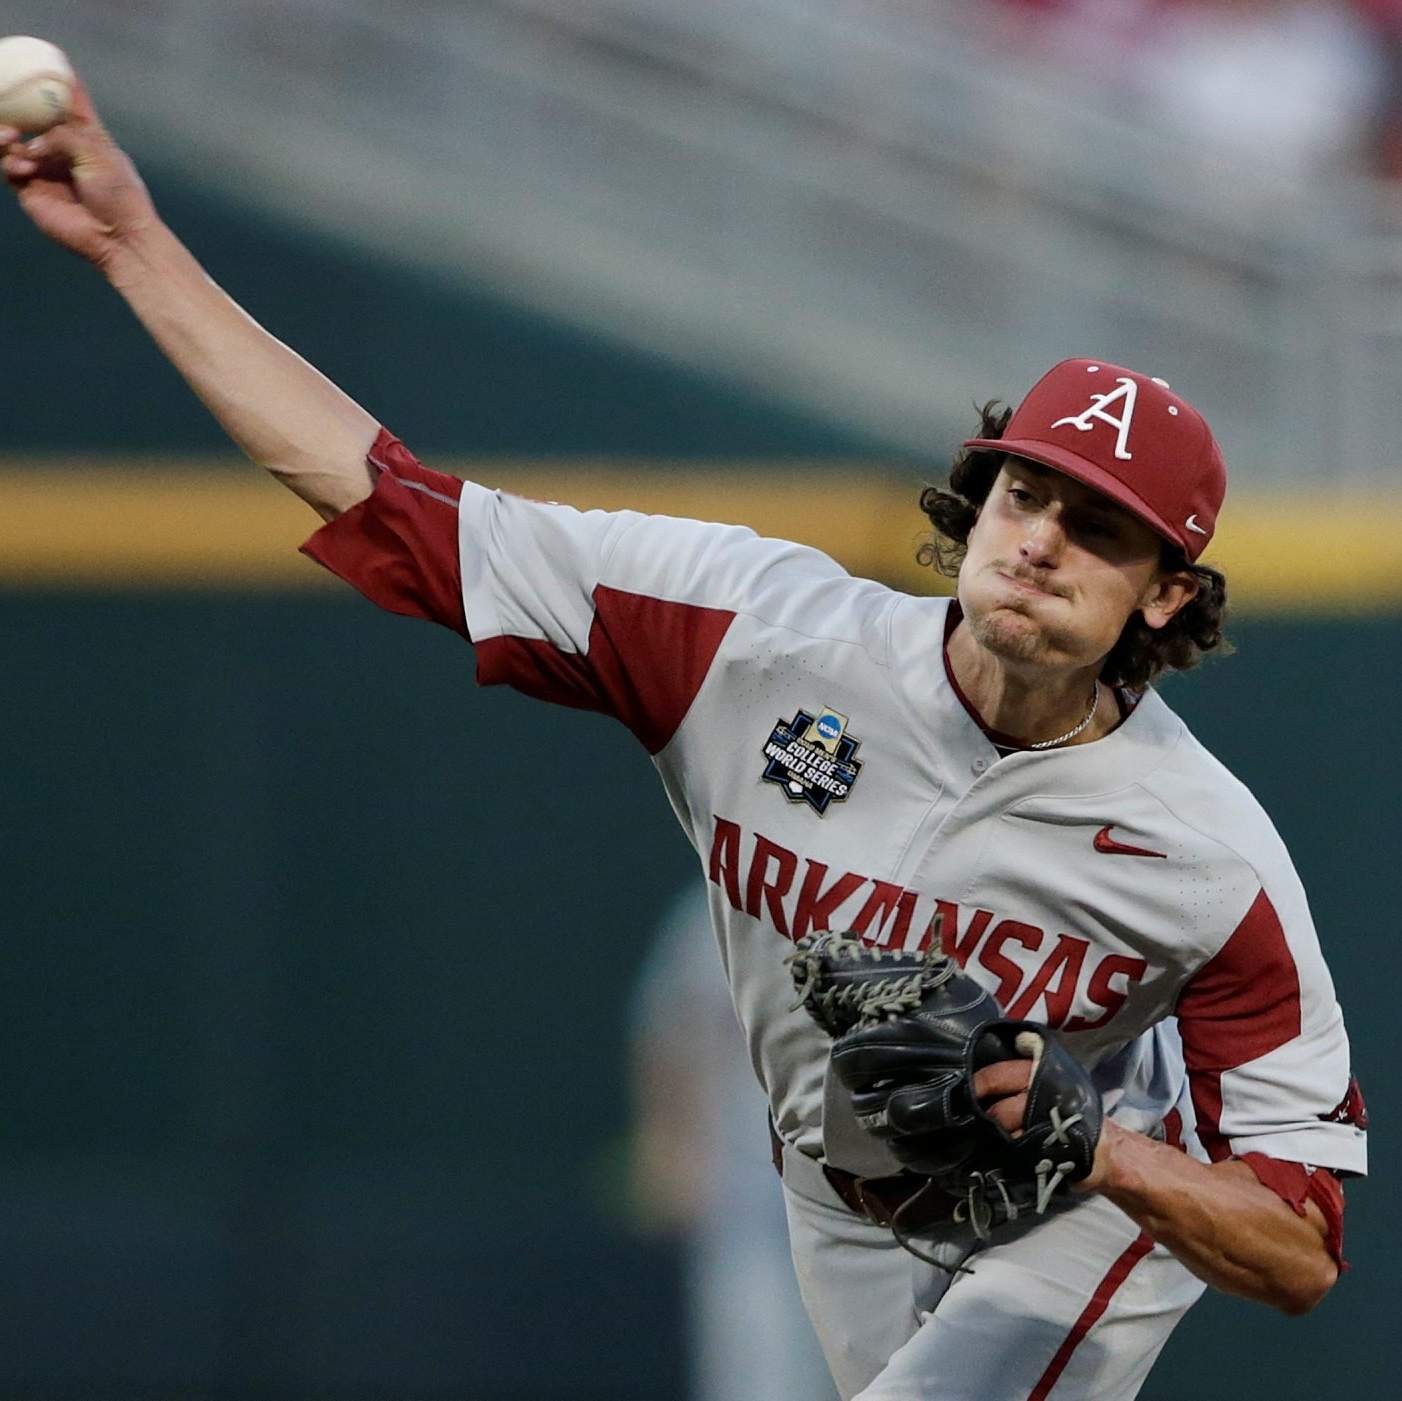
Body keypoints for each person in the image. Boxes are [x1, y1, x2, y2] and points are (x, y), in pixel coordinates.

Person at [3, 80, 1367, 1401]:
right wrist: (135, 242)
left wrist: (1102, 1149)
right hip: (830, 1190)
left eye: (1100, 531)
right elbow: (397, 511)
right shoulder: (749, 634)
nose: (1040, 543)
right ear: (980, 492)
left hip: (1078, 1212)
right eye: (1026, 494)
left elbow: (1299, 1246)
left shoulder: (1205, 853)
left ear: (1167, 594)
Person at [630, 884, 838, 1401]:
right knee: (756, 1372)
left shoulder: (880, 900)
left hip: (863, 1186)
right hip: (746, 1189)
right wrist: (668, 1147)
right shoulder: (709, 914)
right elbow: (666, 1039)